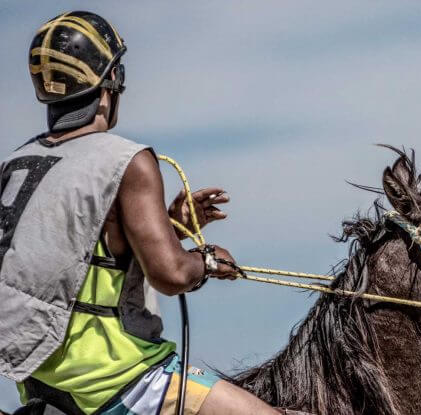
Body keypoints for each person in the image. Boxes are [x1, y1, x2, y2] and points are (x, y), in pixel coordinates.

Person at [0, 11, 278, 415]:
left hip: (41, 381)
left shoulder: (16, 163)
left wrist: (171, 226)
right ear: (109, 84)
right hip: (119, 379)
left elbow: (74, 256)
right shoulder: (128, 160)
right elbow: (170, 276)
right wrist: (209, 261)